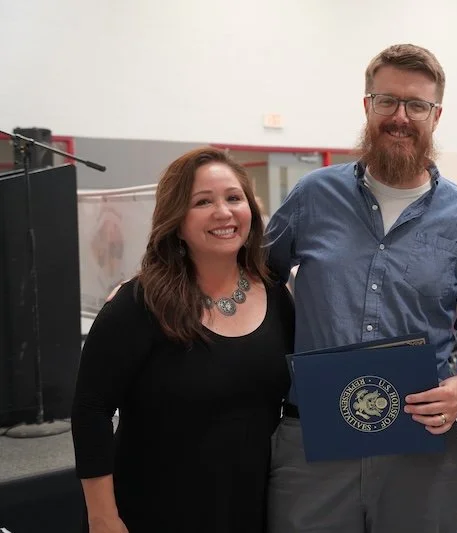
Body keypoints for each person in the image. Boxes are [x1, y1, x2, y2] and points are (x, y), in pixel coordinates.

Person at [265, 43, 457, 533]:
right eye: (387, 101)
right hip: (313, 440)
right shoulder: (313, 197)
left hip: (420, 442)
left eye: (416, 105)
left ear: (436, 115)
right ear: (367, 106)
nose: (400, 117)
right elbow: (254, 279)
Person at [71, 148, 293, 533]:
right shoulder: (139, 303)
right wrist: (103, 517)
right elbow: (91, 410)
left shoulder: (276, 295)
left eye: (234, 198)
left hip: (248, 507)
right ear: (176, 221)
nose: (223, 212)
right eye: (202, 202)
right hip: (151, 510)